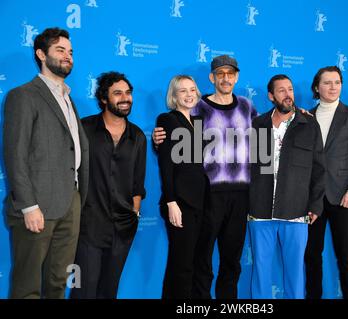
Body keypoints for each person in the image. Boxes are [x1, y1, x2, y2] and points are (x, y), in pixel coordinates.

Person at [153, 55, 257, 298]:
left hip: (239, 195)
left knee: (231, 259)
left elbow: (266, 133)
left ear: (236, 77)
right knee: (200, 260)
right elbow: (173, 147)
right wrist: (158, 139)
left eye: (230, 73)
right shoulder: (197, 109)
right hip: (207, 196)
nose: (225, 78)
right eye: (220, 73)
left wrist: (294, 113)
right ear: (211, 78)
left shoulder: (247, 107)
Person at [3, 27, 89, 299]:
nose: (68, 56)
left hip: (70, 201)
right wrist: (28, 205)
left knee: (57, 282)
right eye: (60, 50)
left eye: (71, 51)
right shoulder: (23, 95)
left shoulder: (68, 97)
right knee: (27, 286)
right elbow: (15, 154)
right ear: (41, 54)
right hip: (37, 203)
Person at [248, 74, 325, 299]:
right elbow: (247, 165)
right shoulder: (257, 124)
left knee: (295, 274)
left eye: (290, 89)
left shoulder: (309, 123)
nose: (287, 94)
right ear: (271, 96)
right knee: (260, 271)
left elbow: (319, 168)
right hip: (261, 212)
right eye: (281, 90)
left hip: (297, 212)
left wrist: (315, 205)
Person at [70, 71, 147, 299]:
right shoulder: (84, 129)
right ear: (104, 99)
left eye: (128, 92)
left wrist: (134, 213)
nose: (125, 98)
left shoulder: (138, 136)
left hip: (123, 227)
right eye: (117, 93)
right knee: (83, 291)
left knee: (109, 291)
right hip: (88, 226)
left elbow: (137, 183)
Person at [304, 66, 348, 299]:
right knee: (311, 255)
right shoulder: (306, 117)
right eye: (327, 82)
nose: (333, 87)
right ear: (316, 87)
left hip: (344, 197)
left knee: (346, 256)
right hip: (313, 199)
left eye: (337, 82)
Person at [156, 75, 209, 299]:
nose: (188, 95)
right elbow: (166, 164)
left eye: (192, 90)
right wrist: (171, 202)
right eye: (182, 91)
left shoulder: (198, 122)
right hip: (180, 202)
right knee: (181, 264)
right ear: (174, 96)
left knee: (195, 262)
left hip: (201, 201)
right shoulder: (168, 119)